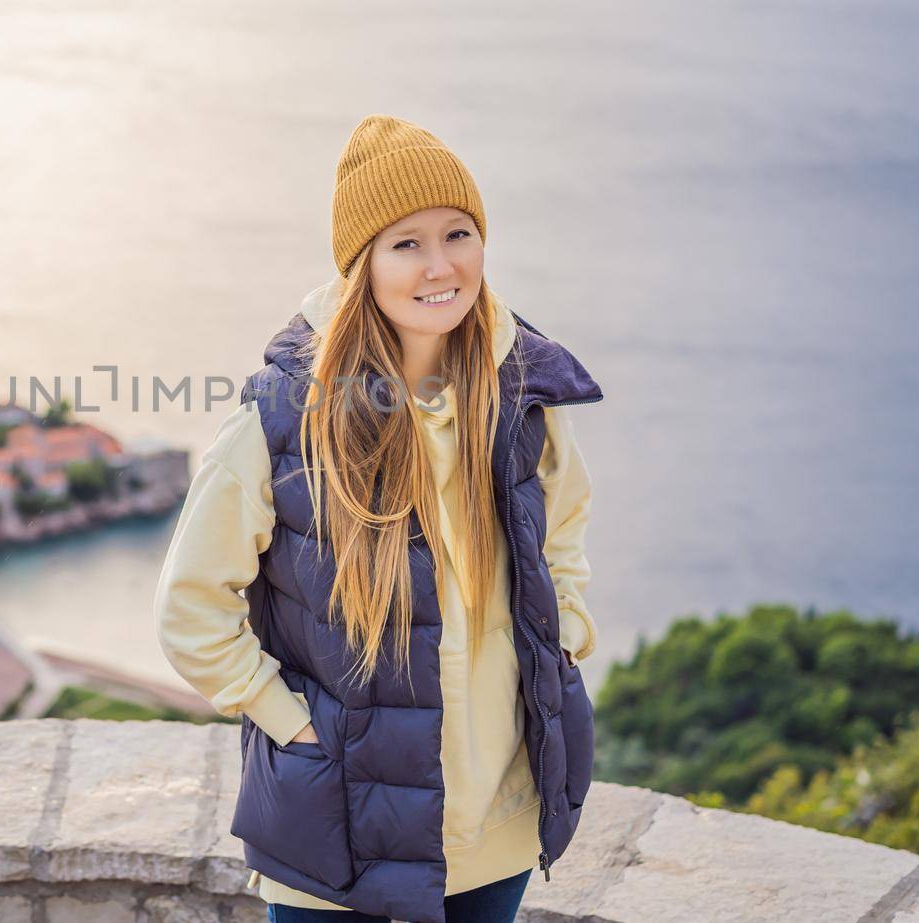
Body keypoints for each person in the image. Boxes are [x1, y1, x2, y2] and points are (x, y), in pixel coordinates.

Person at [153, 114, 603, 923]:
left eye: (459, 233)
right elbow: (190, 603)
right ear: (363, 265)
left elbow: (563, 524)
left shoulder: (520, 392)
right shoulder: (287, 417)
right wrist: (288, 721)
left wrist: (564, 636)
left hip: (495, 809)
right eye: (406, 243)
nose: (441, 265)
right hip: (336, 816)